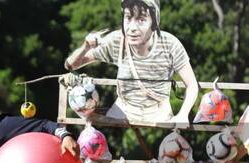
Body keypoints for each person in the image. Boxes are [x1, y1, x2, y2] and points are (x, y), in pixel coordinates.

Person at [64, 0, 198, 124]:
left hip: (158, 114)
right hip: (122, 113)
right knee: (93, 138)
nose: (132, 27)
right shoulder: (117, 40)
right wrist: (85, 46)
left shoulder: (170, 44)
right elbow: (71, 65)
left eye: (141, 19)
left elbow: (192, 84)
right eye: (128, 18)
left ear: (154, 22)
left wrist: (183, 115)